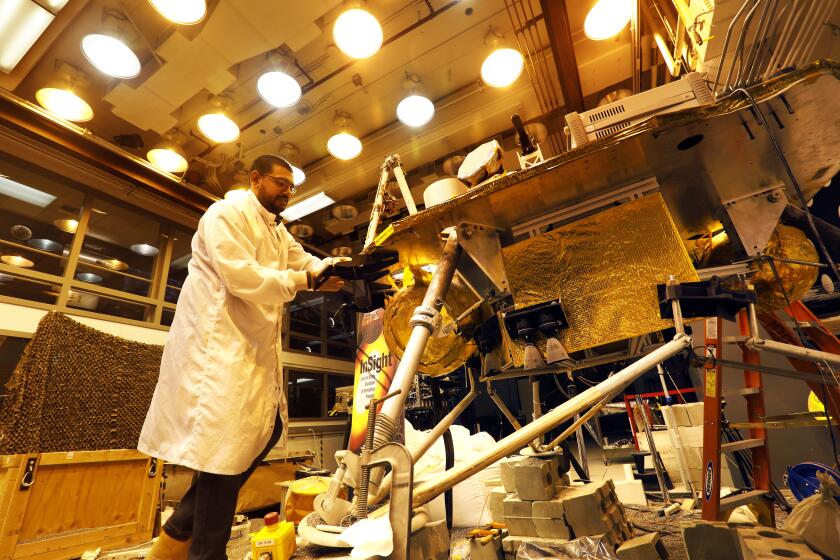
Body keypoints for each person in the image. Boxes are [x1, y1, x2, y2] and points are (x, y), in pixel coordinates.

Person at [139, 154, 349, 560]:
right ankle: (205, 553)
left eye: (292, 185)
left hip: (248, 351)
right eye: (280, 182)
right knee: (223, 456)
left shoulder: (275, 230)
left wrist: (338, 267)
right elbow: (242, 276)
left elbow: (304, 261)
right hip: (217, 350)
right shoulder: (226, 214)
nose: (287, 191)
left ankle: (173, 537)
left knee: (263, 432)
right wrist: (306, 281)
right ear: (255, 179)